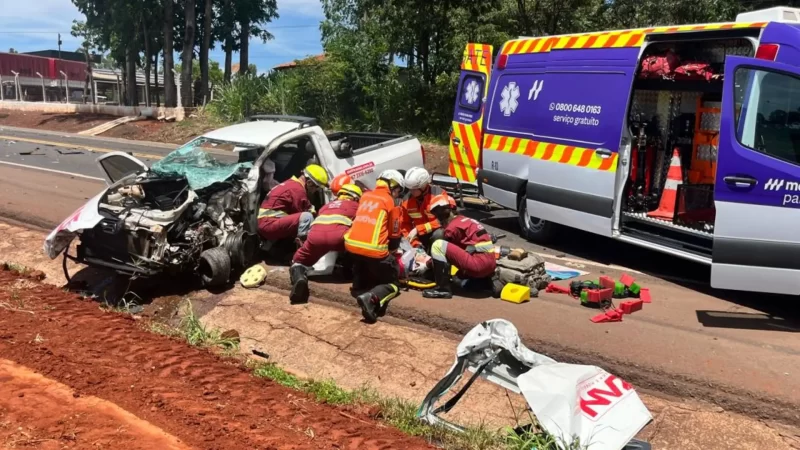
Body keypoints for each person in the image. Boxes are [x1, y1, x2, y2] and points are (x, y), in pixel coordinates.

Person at [344, 169, 405, 323]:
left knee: (366, 266)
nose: (397, 194)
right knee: (393, 283)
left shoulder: (365, 196)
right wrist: (393, 253)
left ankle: (359, 283)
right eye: (398, 190)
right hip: (374, 252)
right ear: (392, 185)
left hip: (351, 247)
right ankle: (371, 298)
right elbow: (395, 233)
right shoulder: (390, 201)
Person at [289, 183, 363, 304]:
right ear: (355, 197)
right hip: (339, 239)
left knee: (299, 260)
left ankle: (300, 278)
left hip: (315, 237)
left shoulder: (325, 206)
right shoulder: (356, 206)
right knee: (356, 245)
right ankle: (349, 270)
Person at [423, 193, 496, 299]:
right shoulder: (465, 220)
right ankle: (482, 282)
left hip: (479, 264)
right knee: (458, 279)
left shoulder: (452, 228)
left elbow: (444, 253)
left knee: (438, 245)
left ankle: (443, 289)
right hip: (489, 264)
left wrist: (426, 265)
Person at [257, 164, 329, 243]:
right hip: (269, 224)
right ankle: (304, 248)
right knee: (307, 217)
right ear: (309, 183)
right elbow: (303, 212)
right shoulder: (297, 190)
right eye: (317, 187)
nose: (317, 190)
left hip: (266, 222)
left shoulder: (292, 184)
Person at [402, 167, 442, 252]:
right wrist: (415, 244)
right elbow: (405, 225)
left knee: (439, 234)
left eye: (413, 189)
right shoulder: (407, 201)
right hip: (420, 235)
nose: (411, 191)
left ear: (423, 186)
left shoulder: (438, 195)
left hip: (436, 232)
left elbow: (443, 221)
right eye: (409, 189)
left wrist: (418, 229)